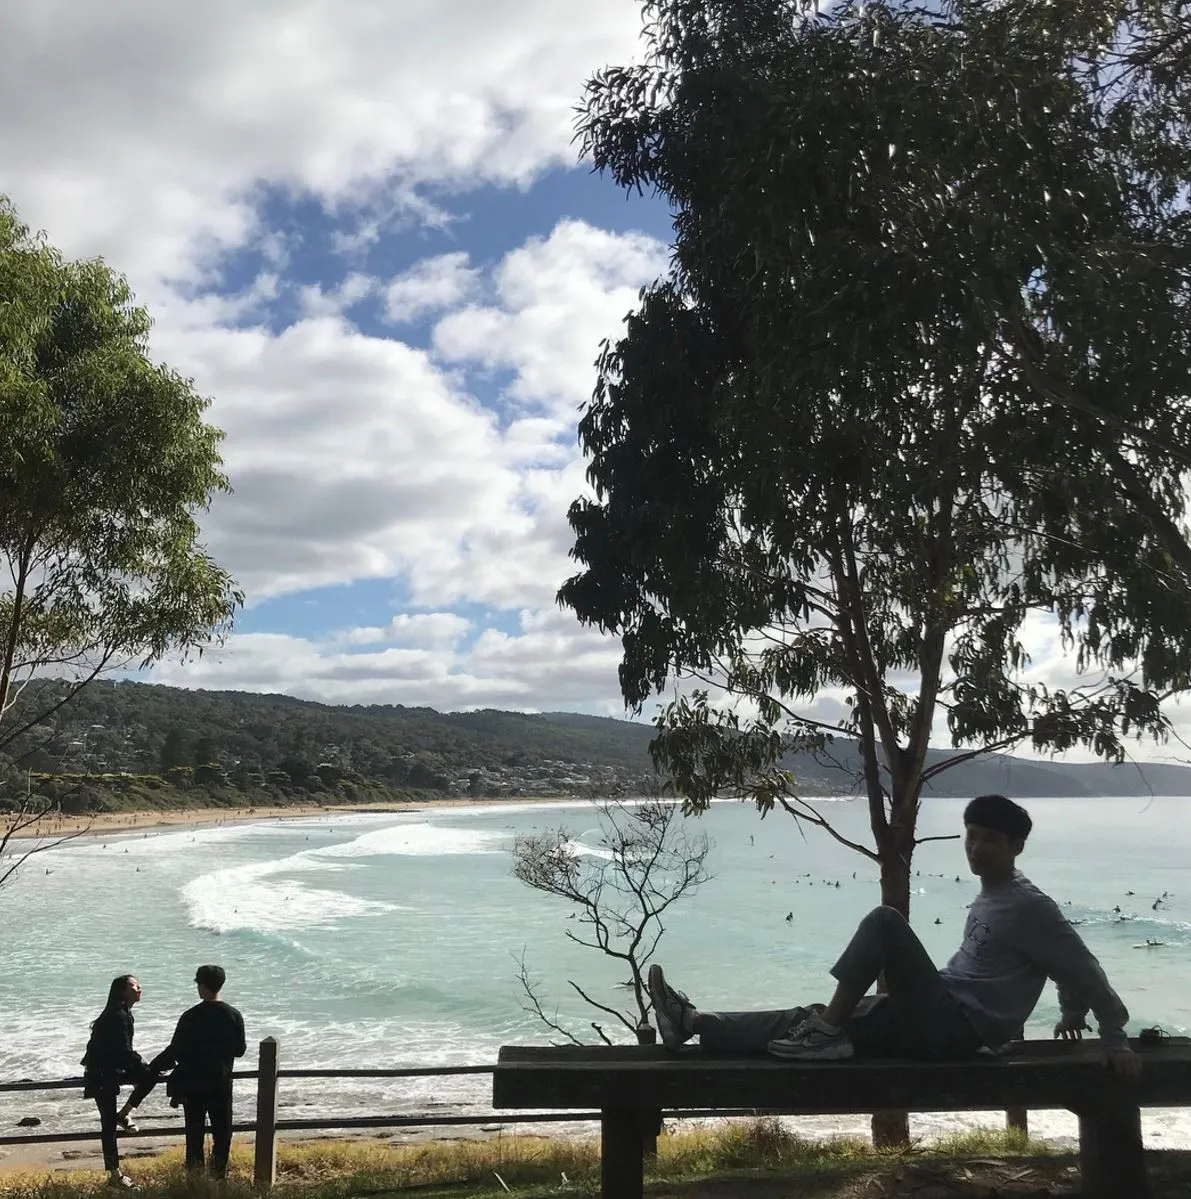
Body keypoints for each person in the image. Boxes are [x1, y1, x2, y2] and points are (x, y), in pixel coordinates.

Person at [649, 794, 1142, 1082]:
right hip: (938, 1013)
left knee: (885, 922)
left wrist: (1114, 1036)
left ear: (1016, 845)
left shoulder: (1028, 904)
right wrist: (1070, 1009)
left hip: (953, 1029)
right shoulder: (995, 895)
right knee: (812, 1017)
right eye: (970, 835)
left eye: (989, 839)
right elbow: (1057, 965)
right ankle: (692, 1022)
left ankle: (828, 1036)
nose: (975, 847)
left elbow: (1080, 964)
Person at [148, 964, 246, 1179]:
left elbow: (175, 1050)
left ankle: (195, 1179)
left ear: (201, 986)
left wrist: (150, 1069)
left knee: (194, 1134)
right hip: (220, 1081)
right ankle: (218, 1176)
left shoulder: (190, 1016)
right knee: (222, 1132)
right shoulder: (233, 1015)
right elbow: (240, 1050)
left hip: (192, 1083)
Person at [81, 975, 159, 1188]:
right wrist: (141, 1065)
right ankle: (115, 1175)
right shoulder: (118, 1015)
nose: (139, 988)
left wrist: (138, 1065)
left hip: (109, 1069)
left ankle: (123, 1114)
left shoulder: (121, 1012)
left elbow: (120, 1050)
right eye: (134, 986)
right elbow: (122, 1050)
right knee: (108, 1124)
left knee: (109, 1122)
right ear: (123, 991)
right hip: (102, 1073)